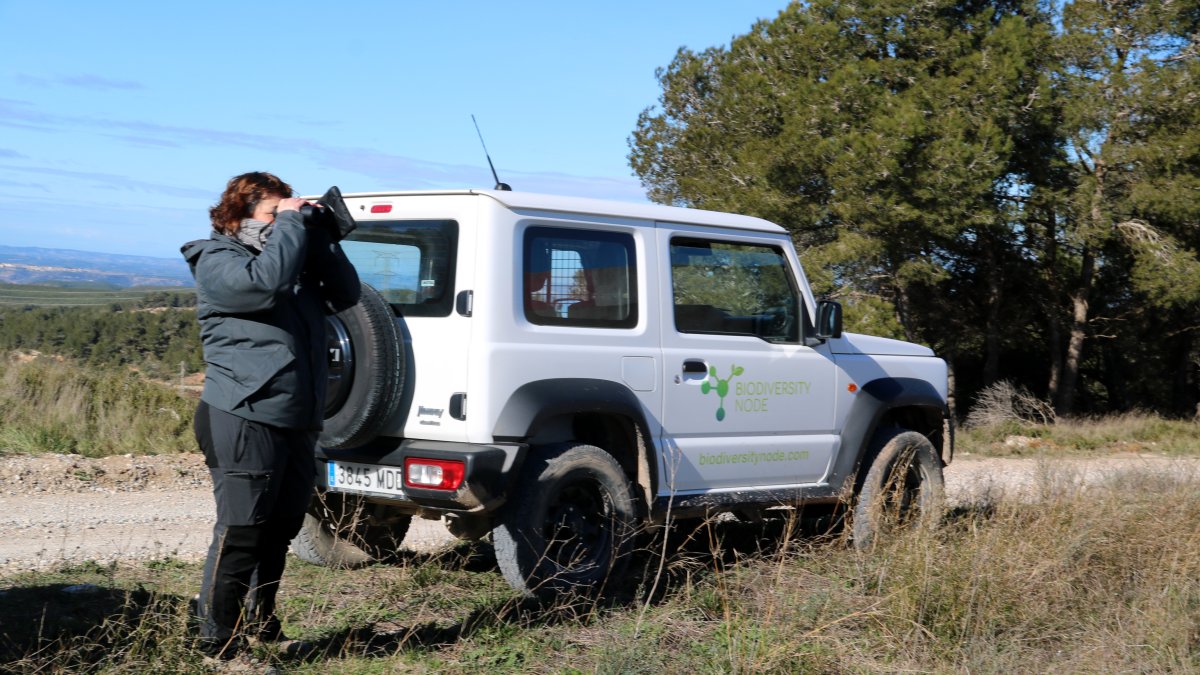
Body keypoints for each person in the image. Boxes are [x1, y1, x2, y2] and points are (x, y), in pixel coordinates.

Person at [181, 171, 360, 658]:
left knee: (280, 526)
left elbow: (346, 294)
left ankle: (261, 625)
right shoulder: (218, 259)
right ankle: (216, 641)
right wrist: (290, 226)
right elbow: (262, 289)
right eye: (271, 214)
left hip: (297, 415)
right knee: (242, 528)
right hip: (242, 411)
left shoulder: (293, 263)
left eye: (285, 213)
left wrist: (317, 233)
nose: (283, 223)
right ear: (238, 216)